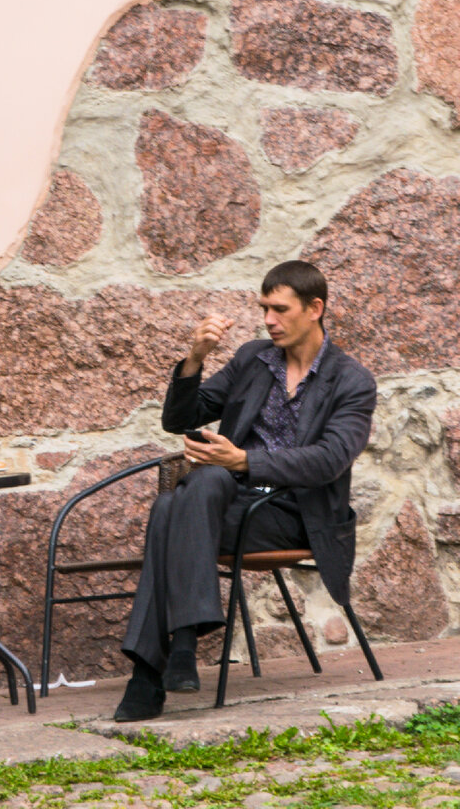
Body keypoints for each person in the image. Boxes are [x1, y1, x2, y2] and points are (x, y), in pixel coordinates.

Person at [113, 260, 376, 723]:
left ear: (315, 308)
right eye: (264, 309)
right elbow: (179, 419)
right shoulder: (253, 359)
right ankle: (176, 651)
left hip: (294, 514)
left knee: (170, 506)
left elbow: (329, 460)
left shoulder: (351, 381)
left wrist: (245, 461)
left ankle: (154, 670)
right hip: (224, 506)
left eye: (279, 309)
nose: (269, 320)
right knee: (200, 486)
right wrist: (194, 358)